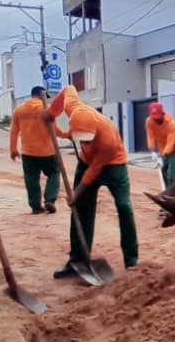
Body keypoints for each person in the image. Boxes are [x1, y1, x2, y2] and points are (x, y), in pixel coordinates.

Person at [45, 85, 138, 275]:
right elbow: (68, 89)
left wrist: (76, 192)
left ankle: (131, 260)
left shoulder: (107, 141)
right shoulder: (74, 109)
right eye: (82, 141)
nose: (85, 144)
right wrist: (51, 114)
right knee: (81, 209)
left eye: (88, 140)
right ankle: (77, 259)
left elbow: (94, 171)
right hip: (86, 162)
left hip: (113, 164)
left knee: (124, 206)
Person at [9, 86, 60, 214]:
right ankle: (50, 200)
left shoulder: (19, 110)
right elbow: (55, 130)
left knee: (31, 178)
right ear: (42, 95)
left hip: (28, 152)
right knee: (54, 174)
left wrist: (13, 149)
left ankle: (35, 206)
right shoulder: (46, 109)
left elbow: (14, 131)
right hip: (48, 151)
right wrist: (67, 135)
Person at [144, 102, 175, 188]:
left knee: (173, 175)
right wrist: (152, 151)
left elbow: (170, 142)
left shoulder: (171, 124)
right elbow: (150, 136)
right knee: (163, 172)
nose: (156, 120)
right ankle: (167, 191)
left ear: (162, 114)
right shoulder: (149, 121)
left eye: (158, 118)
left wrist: (162, 156)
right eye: (154, 118)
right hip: (162, 149)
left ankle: (174, 192)